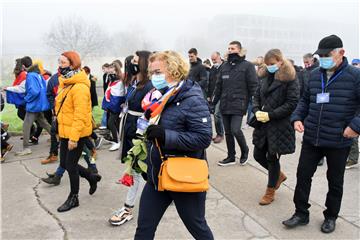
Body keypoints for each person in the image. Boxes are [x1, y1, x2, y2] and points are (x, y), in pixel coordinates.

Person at [283, 35, 360, 234]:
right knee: (303, 176)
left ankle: (331, 216)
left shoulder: (354, 76)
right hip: (312, 137)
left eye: (328, 54)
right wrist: (297, 118)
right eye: (321, 55)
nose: (324, 58)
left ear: (341, 53)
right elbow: (305, 101)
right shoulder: (315, 74)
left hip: (339, 139)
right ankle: (301, 213)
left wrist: (355, 126)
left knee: (335, 181)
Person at [134, 50, 214, 239]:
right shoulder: (156, 98)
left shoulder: (192, 99)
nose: (154, 77)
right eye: (152, 73)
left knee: (197, 227)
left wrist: (165, 135)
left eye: (158, 72)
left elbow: (203, 138)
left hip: (184, 174)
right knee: (144, 228)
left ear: (174, 71)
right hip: (157, 175)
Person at [109, 51, 153, 226]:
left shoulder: (149, 86)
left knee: (137, 169)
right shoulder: (136, 82)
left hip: (139, 132)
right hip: (130, 128)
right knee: (143, 169)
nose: (131, 63)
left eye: (135, 61)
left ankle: (128, 208)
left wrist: (141, 136)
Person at [55, 51, 101, 212]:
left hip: (76, 133)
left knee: (70, 165)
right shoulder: (66, 82)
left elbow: (80, 116)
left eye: (63, 63)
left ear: (72, 64)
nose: (59, 66)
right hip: (64, 131)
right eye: (59, 62)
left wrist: (73, 138)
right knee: (64, 163)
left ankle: (74, 197)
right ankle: (91, 176)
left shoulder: (80, 87)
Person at [252, 49, 299, 205]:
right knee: (258, 155)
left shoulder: (290, 78)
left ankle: (270, 191)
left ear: (280, 61)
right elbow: (256, 96)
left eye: (272, 64)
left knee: (272, 157)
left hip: (279, 125)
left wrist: (271, 115)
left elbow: (291, 103)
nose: (269, 66)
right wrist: (256, 110)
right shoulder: (265, 75)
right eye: (267, 64)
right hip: (263, 123)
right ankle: (278, 175)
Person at [212, 41, 258, 166]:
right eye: (228, 48)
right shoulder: (225, 66)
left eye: (233, 48)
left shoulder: (247, 66)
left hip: (239, 103)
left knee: (235, 129)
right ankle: (231, 156)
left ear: (239, 50)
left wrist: (256, 104)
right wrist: (213, 102)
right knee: (227, 132)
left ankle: (245, 150)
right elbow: (218, 86)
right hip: (225, 103)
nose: (230, 50)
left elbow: (254, 86)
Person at [15, 60, 52, 156]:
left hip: (33, 105)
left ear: (23, 66)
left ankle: (26, 148)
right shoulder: (39, 75)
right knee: (44, 123)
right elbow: (43, 88)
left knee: (26, 126)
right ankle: (58, 138)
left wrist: (26, 99)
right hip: (39, 104)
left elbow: (34, 92)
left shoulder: (30, 76)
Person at [102, 62, 126, 151]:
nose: (109, 69)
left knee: (111, 123)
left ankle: (117, 141)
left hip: (116, 105)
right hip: (112, 104)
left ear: (116, 68)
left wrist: (114, 105)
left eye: (112, 67)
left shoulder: (119, 80)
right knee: (115, 123)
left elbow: (119, 94)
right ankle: (118, 140)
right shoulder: (112, 78)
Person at [345, 58, 360, 169]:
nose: (355, 66)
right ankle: (352, 159)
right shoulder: (352, 78)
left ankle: (353, 159)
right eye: (353, 64)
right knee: (352, 138)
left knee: (353, 137)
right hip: (353, 112)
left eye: (356, 64)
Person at [208, 51, 224, 143]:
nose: (213, 61)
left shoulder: (225, 67)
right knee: (215, 115)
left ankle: (220, 134)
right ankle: (220, 132)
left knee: (217, 114)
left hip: (223, 95)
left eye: (215, 59)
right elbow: (210, 83)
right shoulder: (213, 69)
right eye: (212, 60)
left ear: (219, 57)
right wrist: (209, 95)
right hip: (214, 95)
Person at [99, 63, 110, 130]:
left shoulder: (111, 76)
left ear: (107, 68)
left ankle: (104, 123)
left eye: (104, 68)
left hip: (109, 95)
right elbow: (104, 86)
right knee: (105, 109)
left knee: (106, 110)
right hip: (105, 95)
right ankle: (104, 123)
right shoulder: (104, 75)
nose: (103, 70)